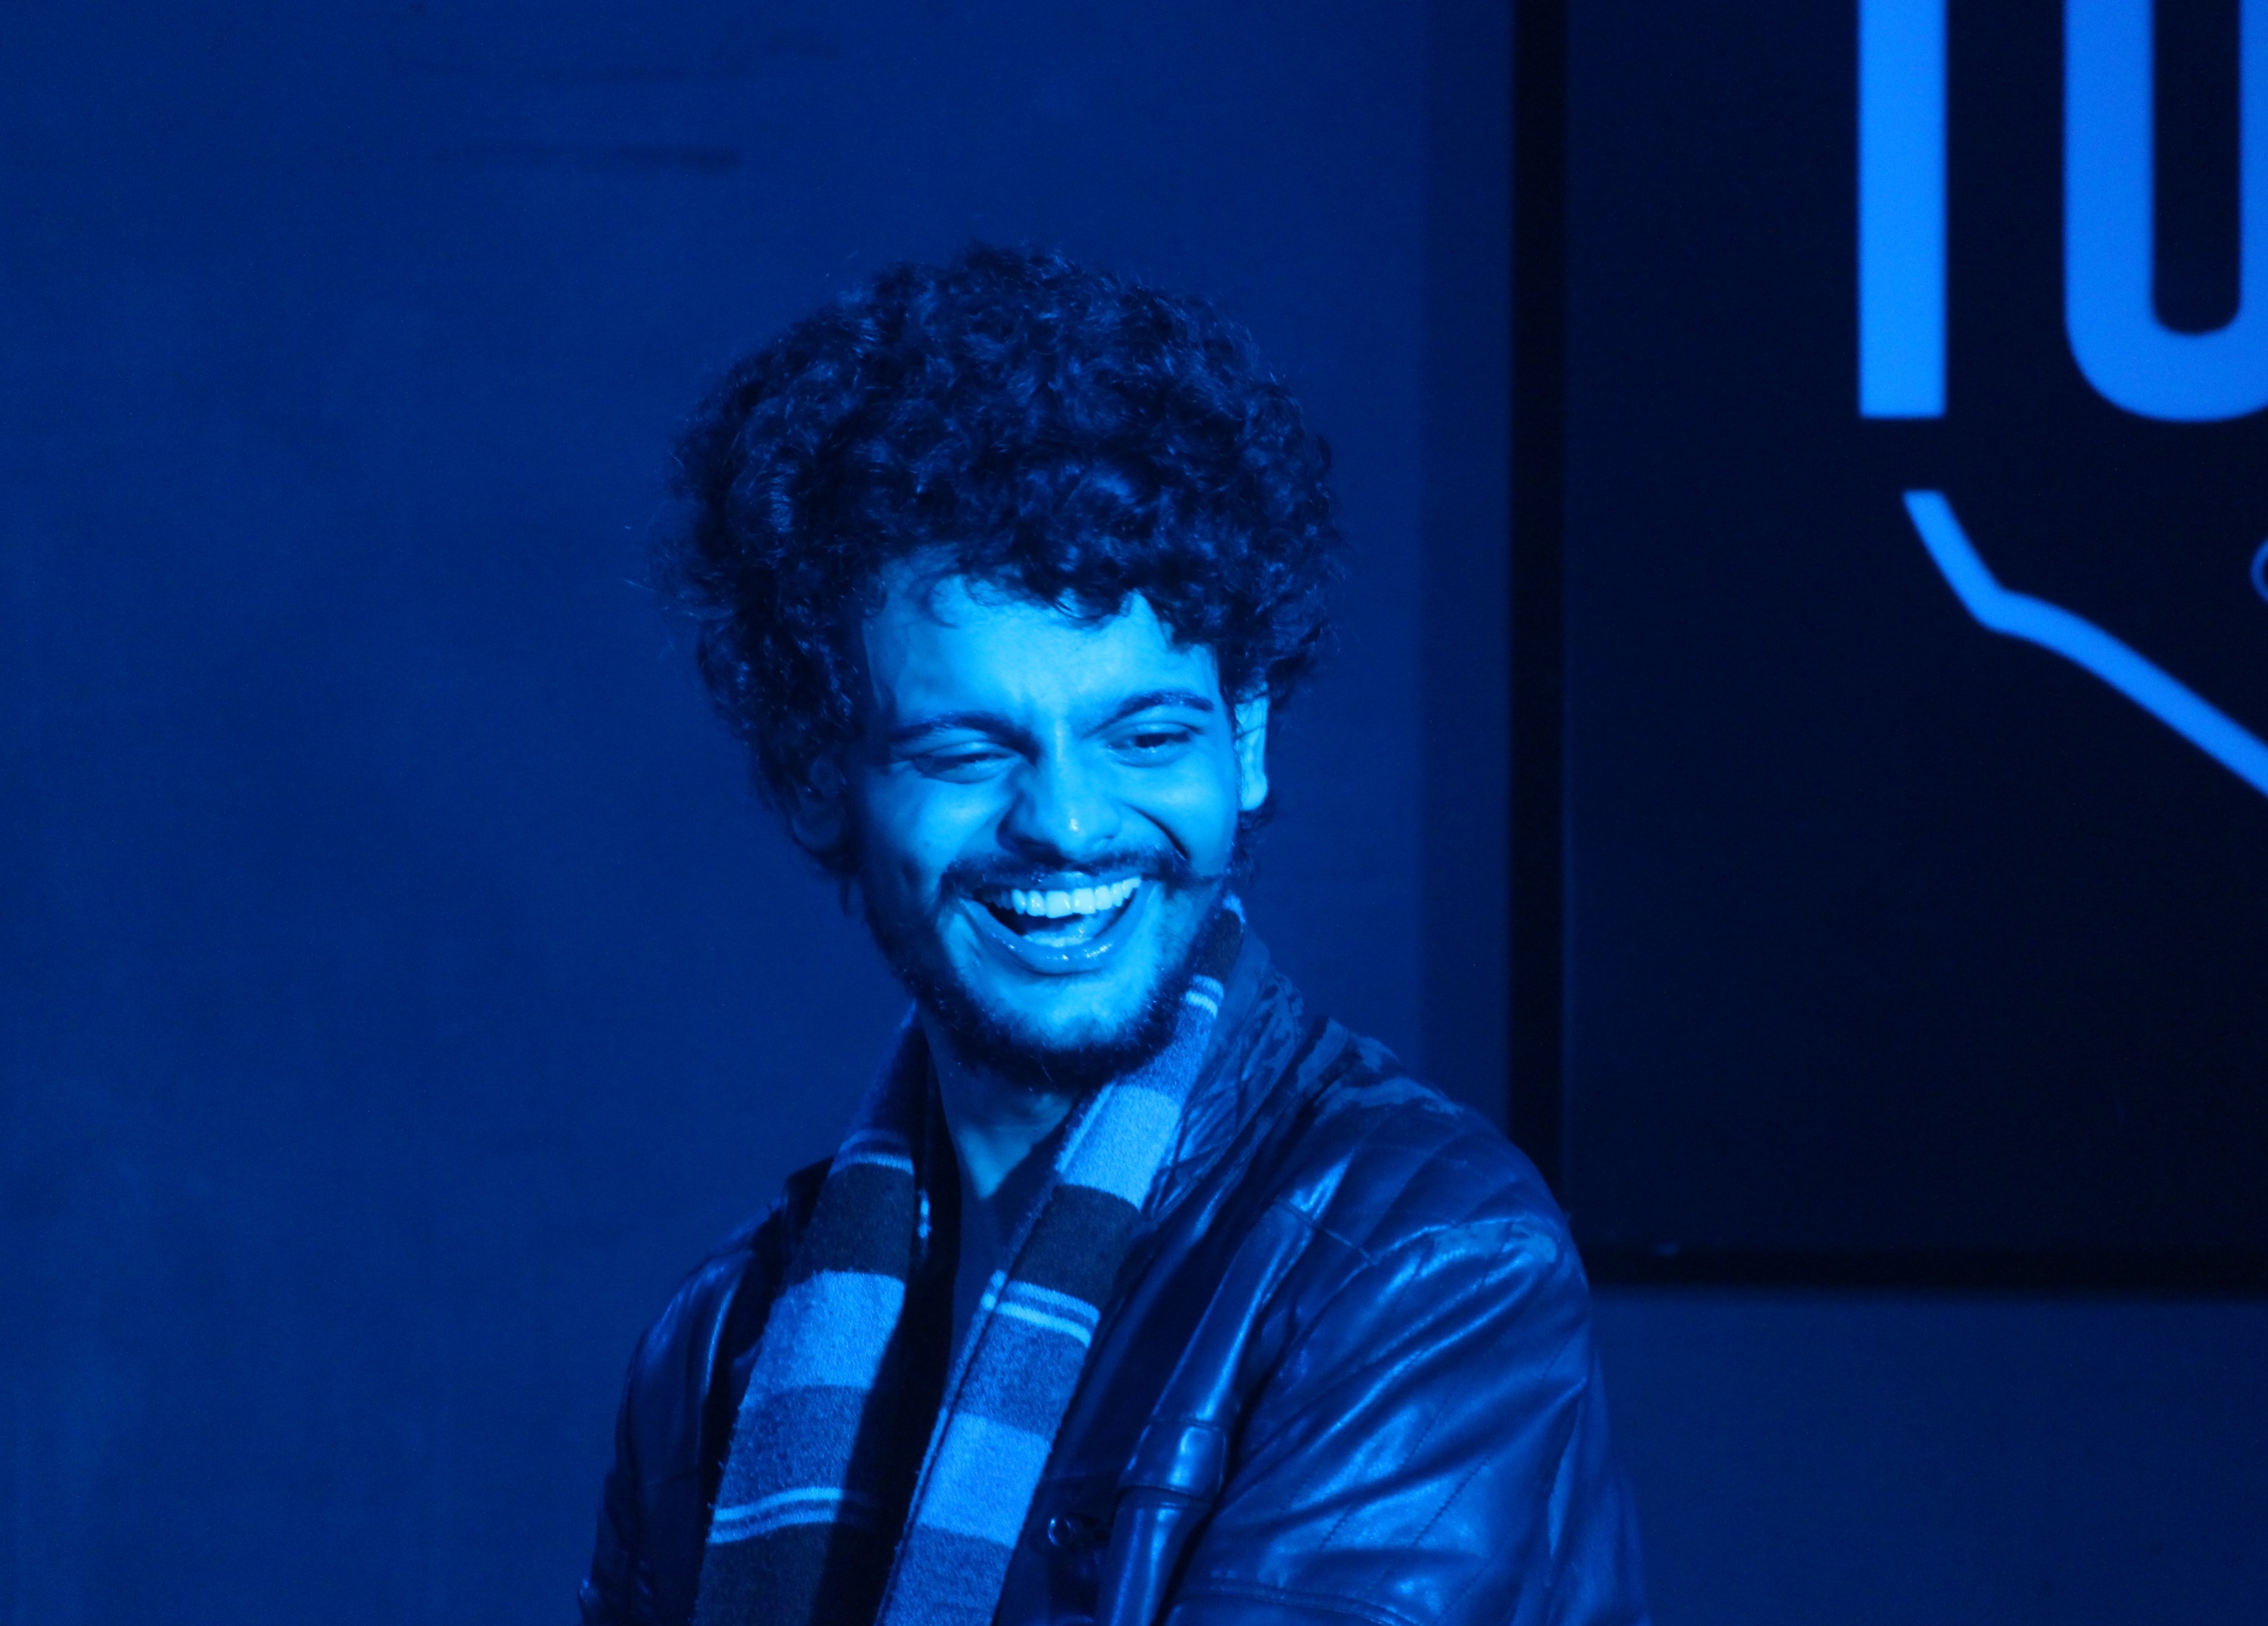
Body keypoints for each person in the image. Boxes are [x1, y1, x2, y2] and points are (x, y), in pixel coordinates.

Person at [580, 244, 1648, 1626]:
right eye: (968, 751)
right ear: (814, 774)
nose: (1070, 825)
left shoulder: (1425, 1262)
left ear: (1243, 741)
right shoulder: (722, 1347)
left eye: (1144, 737)